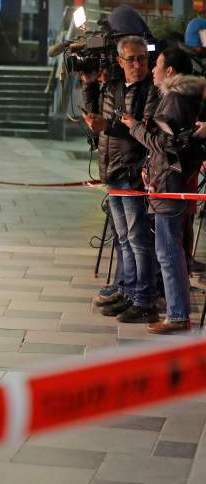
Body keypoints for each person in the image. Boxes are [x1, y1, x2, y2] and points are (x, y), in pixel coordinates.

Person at [123, 47, 206, 334]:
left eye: (156, 65)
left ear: (170, 71)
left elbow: (165, 144)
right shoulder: (181, 96)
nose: (153, 70)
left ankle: (178, 315)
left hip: (168, 182)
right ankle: (177, 313)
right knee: (170, 249)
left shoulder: (173, 98)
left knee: (168, 250)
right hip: (169, 180)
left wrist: (135, 128)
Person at [82, 36, 158, 324]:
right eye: (131, 59)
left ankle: (144, 298)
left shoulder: (150, 90)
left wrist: (110, 126)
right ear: (119, 62)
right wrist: (89, 82)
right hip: (111, 170)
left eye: (142, 59)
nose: (138, 64)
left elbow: (143, 129)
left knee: (138, 239)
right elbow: (94, 118)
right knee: (123, 239)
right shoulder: (113, 87)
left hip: (132, 172)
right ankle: (127, 291)